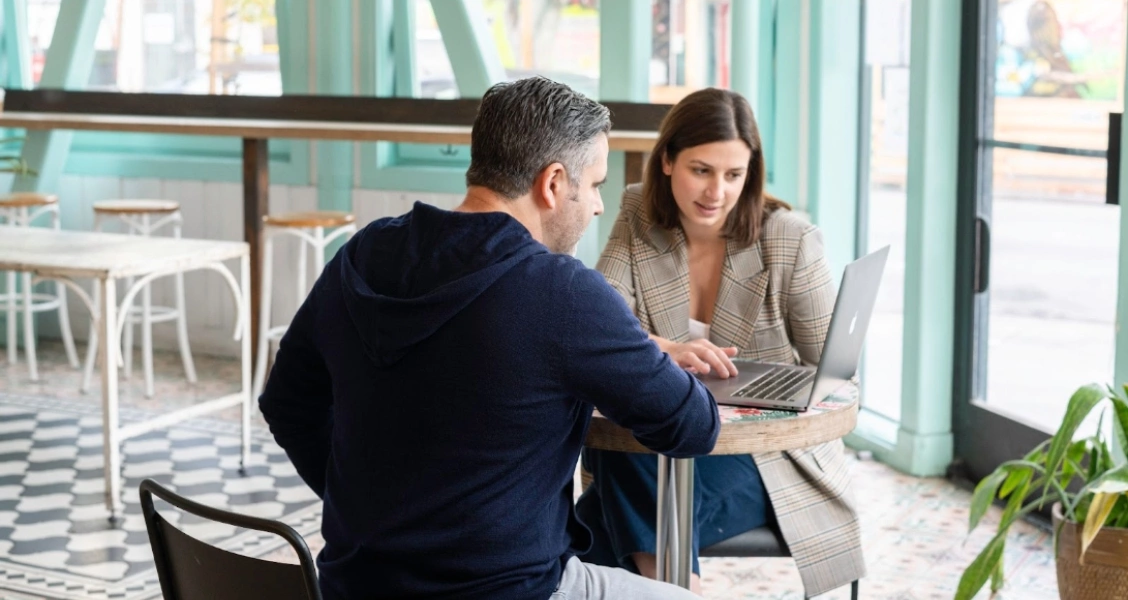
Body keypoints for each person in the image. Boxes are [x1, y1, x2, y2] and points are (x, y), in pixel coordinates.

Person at [258, 76, 719, 600]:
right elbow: (692, 426)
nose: (596, 206)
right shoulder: (562, 292)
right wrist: (639, 346)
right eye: (593, 184)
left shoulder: (362, 254)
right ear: (552, 184)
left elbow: (286, 402)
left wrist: (373, 517)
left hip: (355, 586)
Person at [576, 88, 866, 597]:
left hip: (765, 458)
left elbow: (837, 375)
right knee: (628, 466)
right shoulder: (638, 213)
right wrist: (662, 347)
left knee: (585, 524)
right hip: (663, 442)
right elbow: (601, 323)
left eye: (735, 175)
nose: (717, 192)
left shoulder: (790, 239)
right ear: (666, 161)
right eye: (702, 170)